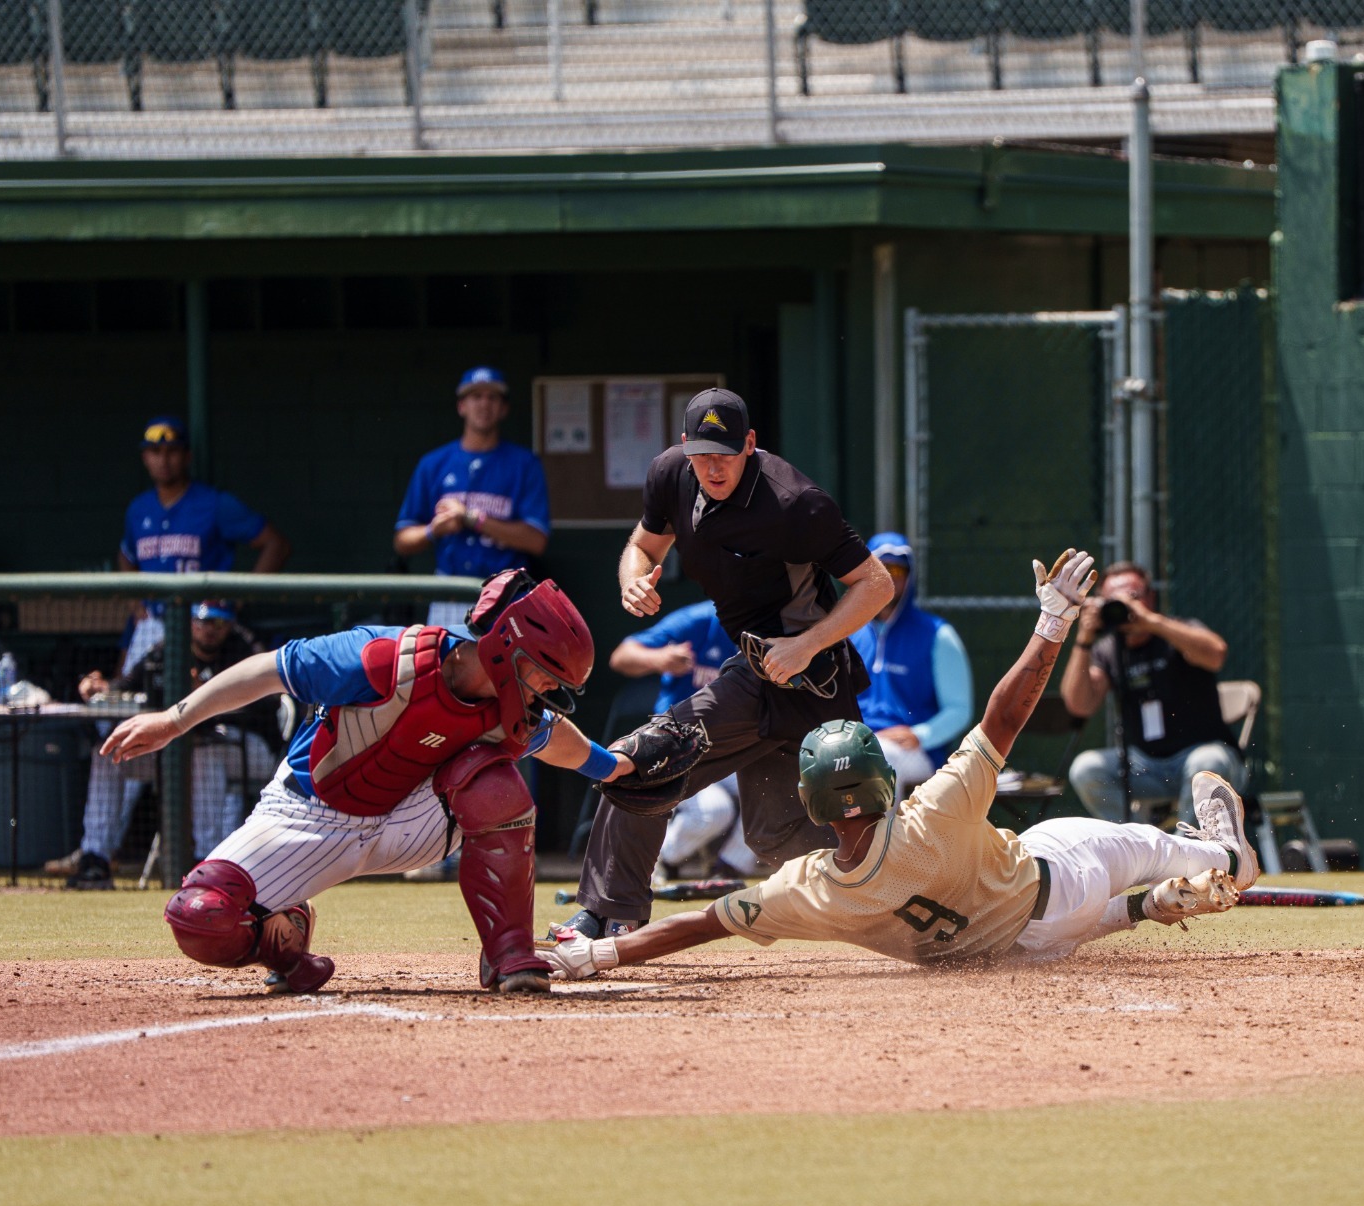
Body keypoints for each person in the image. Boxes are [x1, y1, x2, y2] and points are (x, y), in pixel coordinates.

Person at [539, 549, 1259, 980]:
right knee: (1128, 845)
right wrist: (1052, 624)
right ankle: (1222, 853)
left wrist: (599, 959)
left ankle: (1145, 906)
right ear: (883, 783)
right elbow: (1005, 715)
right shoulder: (935, 813)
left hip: (1013, 953)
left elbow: (699, 923)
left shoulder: (810, 890)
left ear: (814, 805)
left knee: (1038, 931)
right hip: (1054, 884)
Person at [98, 572, 667, 995]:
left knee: (492, 783)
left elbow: (562, 741)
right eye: (544, 672)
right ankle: (286, 935)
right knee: (200, 918)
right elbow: (270, 670)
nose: (546, 691)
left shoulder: (509, 709)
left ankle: (510, 955)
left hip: (409, 820)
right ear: (505, 649)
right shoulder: (385, 657)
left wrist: (615, 768)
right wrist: (174, 721)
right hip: (307, 815)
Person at [563, 387, 892, 940]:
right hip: (754, 672)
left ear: (751, 445)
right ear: (684, 446)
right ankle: (607, 914)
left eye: (726, 452)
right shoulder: (670, 474)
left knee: (661, 769)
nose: (712, 466)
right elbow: (643, 546)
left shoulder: (796, 503)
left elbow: (876, 584)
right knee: (753, 825)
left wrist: (805, 645)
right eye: (702, 452)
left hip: (814, 681)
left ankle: (909, 881)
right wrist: (632, 580)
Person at [47, 602, 277, 888]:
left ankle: (204, 859)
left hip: (248, 746)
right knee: (109, 753)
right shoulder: (170, 647)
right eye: (202, 621)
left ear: (229, 624)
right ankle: (95, 858)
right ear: (190, 622)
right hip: (181, 747)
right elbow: (127, 685)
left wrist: (207, 699)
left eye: (217, 623)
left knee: (203, 752)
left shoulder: (242, 647)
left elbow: (270, 703)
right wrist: (101, 688)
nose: (208, 630)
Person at [1060, 561, 1241, 826]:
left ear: (1151, 597)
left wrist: (1151, 622)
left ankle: (1187, 854)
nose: (1125, 604)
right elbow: (1079, 705)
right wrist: (1084, 636)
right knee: (1086, 769)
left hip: (1205, 760)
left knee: (1207, 761)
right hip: (1146, 766)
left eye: (1133, 596)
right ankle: (1143, 846)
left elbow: (1216, 655)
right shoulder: (1108, 650)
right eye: (1113, 599)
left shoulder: (1178, 630)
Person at [118, 415, 290, 671]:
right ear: (145, 458)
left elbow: (276, 544)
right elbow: (126, 556)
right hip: (154, 623)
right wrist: (135, 599)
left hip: (204, 625)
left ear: (187, 456)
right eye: (155, 452)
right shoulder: (137, 509)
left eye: (172, 452)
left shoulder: (215, 504)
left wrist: (241, 595)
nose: (163, 460)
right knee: (126, 694)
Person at [608, 599, 756, 880]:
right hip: (677, 745)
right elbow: (621, 655)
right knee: (714, 810)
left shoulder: (769, 626)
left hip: (733, 744)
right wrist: (658, 659)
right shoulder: (699, 618)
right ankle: (658, 862)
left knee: (773, 786)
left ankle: (728, 870)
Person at [394, 367, 551, 629]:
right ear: (461, 406)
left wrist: (472, 519)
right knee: (447, 667)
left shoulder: (524, 464)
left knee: (504, 669)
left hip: (507, 591)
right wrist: (434, 529)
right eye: (475, 396)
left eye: (492, 397)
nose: (484, 404)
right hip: (449, 588)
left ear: (503, 408)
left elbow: (537, 540)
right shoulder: (433, 464)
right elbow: (402, 541)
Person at [848, 532, 973, 796]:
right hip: (853, 744)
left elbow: (959, 709)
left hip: (915, 752)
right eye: (881, 568)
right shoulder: (846, 631)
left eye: (898, 569)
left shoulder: (938, 634)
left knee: (877, 764)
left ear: (910, 576)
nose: (890, 576)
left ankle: (884, 839)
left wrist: (921, 735)